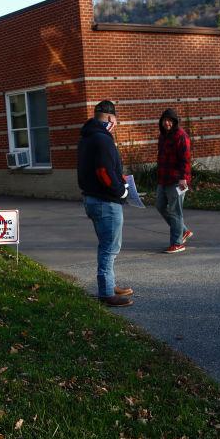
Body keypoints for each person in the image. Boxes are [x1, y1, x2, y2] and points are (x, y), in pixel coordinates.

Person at [77, 99, 134, 307]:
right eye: (115, 120)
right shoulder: (102, 139)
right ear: (110, 118)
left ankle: (109, 284)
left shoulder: (87, 137)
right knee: (109, 249)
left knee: (107, 246)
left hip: (92, 198)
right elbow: (104, 172)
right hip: (105, 201)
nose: (115, 124)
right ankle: (106, 293)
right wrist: (121, 191)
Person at [155, 108, 193, 253]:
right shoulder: (163, 136)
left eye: (170, 120)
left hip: (177, 180)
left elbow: (185, 159)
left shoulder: (181, 136)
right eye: (164, 120)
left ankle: (177, 243)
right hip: (163, 179)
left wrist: (183, 178)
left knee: (175, 211)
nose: (167, 123)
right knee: (160, 205)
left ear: (175, 122)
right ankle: (183, 230)